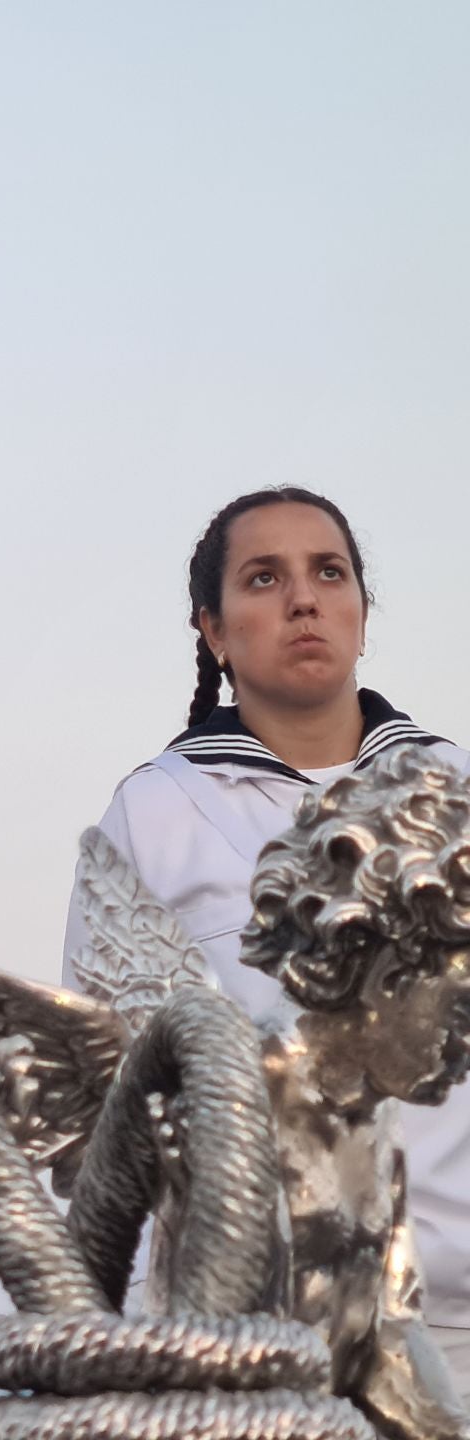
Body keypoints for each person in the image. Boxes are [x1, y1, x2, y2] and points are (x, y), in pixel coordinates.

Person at [62, 485, 470, 1389]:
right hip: (247, 1332)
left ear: (362, 611)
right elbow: (115, 1095)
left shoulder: (454, 791)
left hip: (458, 1316)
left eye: (329, 571)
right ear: (212, 629)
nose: (303, 598)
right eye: (263, 577)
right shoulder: (156, 812)